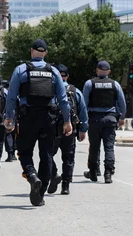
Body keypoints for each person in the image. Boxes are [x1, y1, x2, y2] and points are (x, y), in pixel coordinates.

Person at [4, 39, 72, 207]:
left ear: (31, 51)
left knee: (24, 152)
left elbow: (11, 97)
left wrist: (9, 118)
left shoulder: (21, 70)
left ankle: (32, 175)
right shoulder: (54, 72)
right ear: (45, 53)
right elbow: (63, 100)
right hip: (49, 118)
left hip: (28, 117)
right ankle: (40, 194)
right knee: (46, 155)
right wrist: (67, 121)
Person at [82, 60, 126, 184]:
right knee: (109, 147)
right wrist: (122, 117)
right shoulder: (115, 84)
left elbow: (84, 104)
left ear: (97, 70)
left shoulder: (89, 84)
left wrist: (83, 120)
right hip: (110, 119)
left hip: (94, 119)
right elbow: (122, 102)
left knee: (94, 147)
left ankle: (93, 172)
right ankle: (108, 173)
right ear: (109, 72)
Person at [48, 64, 88, 195]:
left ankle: (54, 174)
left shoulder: (49, 89)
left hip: (53, 129)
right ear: (67, 76)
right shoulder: (75, 91)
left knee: (47, 154)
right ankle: (66, 186)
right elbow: (82, 111)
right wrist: (83, 129)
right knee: (69, 158)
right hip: (70, 129)